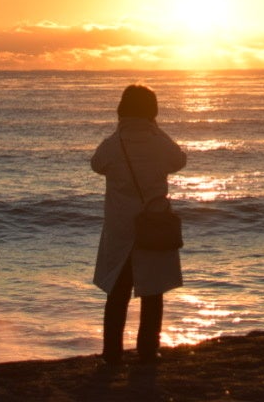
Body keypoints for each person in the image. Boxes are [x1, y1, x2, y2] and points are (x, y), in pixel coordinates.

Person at [91, 84, 187, 364]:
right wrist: (156, 130)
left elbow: (96, 164)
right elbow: (179, 160)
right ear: (152, 111)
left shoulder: (113, 144)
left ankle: (112, 353)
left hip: (121, 228)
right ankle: (147, 350)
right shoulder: (157, 142)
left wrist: (118, 131)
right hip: (152, 224)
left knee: (118, 293)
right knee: (153, 291)